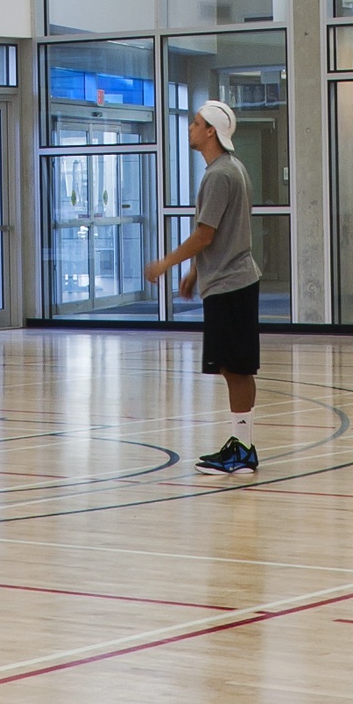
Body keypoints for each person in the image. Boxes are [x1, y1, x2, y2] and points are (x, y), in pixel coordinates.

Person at [143, 99, 261, 476]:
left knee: (236, 368)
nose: (190, 128)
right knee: (233, 367)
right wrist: (195, 272)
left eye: (195, 123)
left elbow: (205, 234)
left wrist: (166, 263)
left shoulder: (219, 175)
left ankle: (243, 450)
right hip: (228, 281)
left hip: (230, 284)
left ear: (211, 130)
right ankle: (241, 444)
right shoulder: (230, 170)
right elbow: (219, 232)